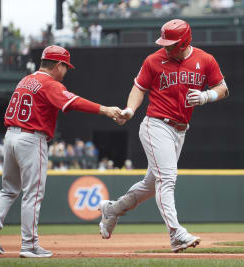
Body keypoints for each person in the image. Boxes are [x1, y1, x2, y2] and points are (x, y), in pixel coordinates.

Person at [98, 19, 229, 253]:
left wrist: (206, 96)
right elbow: (139, 88)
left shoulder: (205, 59)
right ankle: (176, 234)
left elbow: (223, 88)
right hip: (155, 125)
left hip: (180, 131)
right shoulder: (153, 60)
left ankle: (112, 210)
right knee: (167, 179)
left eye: (172, 44)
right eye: (165, 42)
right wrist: (130, 110)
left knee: (150, 186)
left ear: (185, 41)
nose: (166, 47)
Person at [0, 45, 122, 258]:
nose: (65, 72)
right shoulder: (49, 83)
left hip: (10, 136)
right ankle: (29, 245)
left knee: (8, 190)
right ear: (58, 65)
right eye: (65, 67)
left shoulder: (25, 80)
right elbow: (74, 102)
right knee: (33, 194)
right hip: (31, 138)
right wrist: (106, 110)